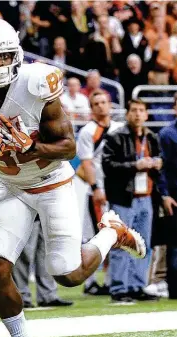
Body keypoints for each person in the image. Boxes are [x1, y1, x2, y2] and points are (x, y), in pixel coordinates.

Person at [0, 18, 146, 337]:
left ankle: (110, 232)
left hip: (53, 182)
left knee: (66, 274)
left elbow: (67, 148)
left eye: (5, 57)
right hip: (11, 187)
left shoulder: (36, 83)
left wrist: (29, 147)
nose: (0, 66)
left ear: (16, 54)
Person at [102, 99, 163, 304]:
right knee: (121, 243)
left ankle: (137, 286)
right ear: (128, 114)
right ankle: (119, 288)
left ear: (146, 115)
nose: (138, 114)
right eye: (134, 110)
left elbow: (159, 162)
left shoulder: (152, 137)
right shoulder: (116, 137)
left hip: (146, 197)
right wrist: (135, 165)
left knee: (143, 244)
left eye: (141, 111)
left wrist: (158, 164)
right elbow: (108, 166)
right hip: (123, 198)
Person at [77, 90, 123, 295]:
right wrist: (95, 188)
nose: (101, 106)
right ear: (91, 108)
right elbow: (86, 163)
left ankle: (114, 279)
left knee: (117, 236)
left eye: (104, 102)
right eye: (96, 103)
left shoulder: (119, 128)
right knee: (96, 236)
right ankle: (91, 281)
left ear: (110, 104)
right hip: (99, 190)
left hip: (118, 189)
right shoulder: (88, 131)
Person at [13, 218, 74, 308]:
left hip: (47, 212)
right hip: (27, 211)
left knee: (47, 253)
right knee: (24, 254)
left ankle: (48, 296)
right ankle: (21, 297)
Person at [157, 92, 177, 299]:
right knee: (175, 246)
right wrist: (164, 194)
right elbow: (161, 168)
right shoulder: (167, 134)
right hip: (174, 194)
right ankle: (174, 289)